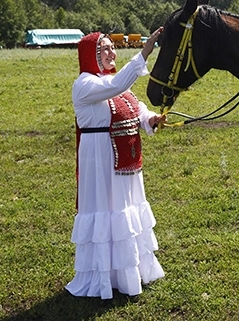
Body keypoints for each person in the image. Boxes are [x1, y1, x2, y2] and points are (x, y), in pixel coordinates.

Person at [66, 28, 166, 300]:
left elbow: (136, 108)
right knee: (106, 208)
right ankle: (104, 276)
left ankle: (131, 272)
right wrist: (146, 50)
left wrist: (151, 119)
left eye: (112, 48)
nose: (112, 53)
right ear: (91, 55)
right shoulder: (85, 84)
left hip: (126, 158)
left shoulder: (113, 80)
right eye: (105, 49)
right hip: (100, 157)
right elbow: (116, 87)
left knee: (125, 210)